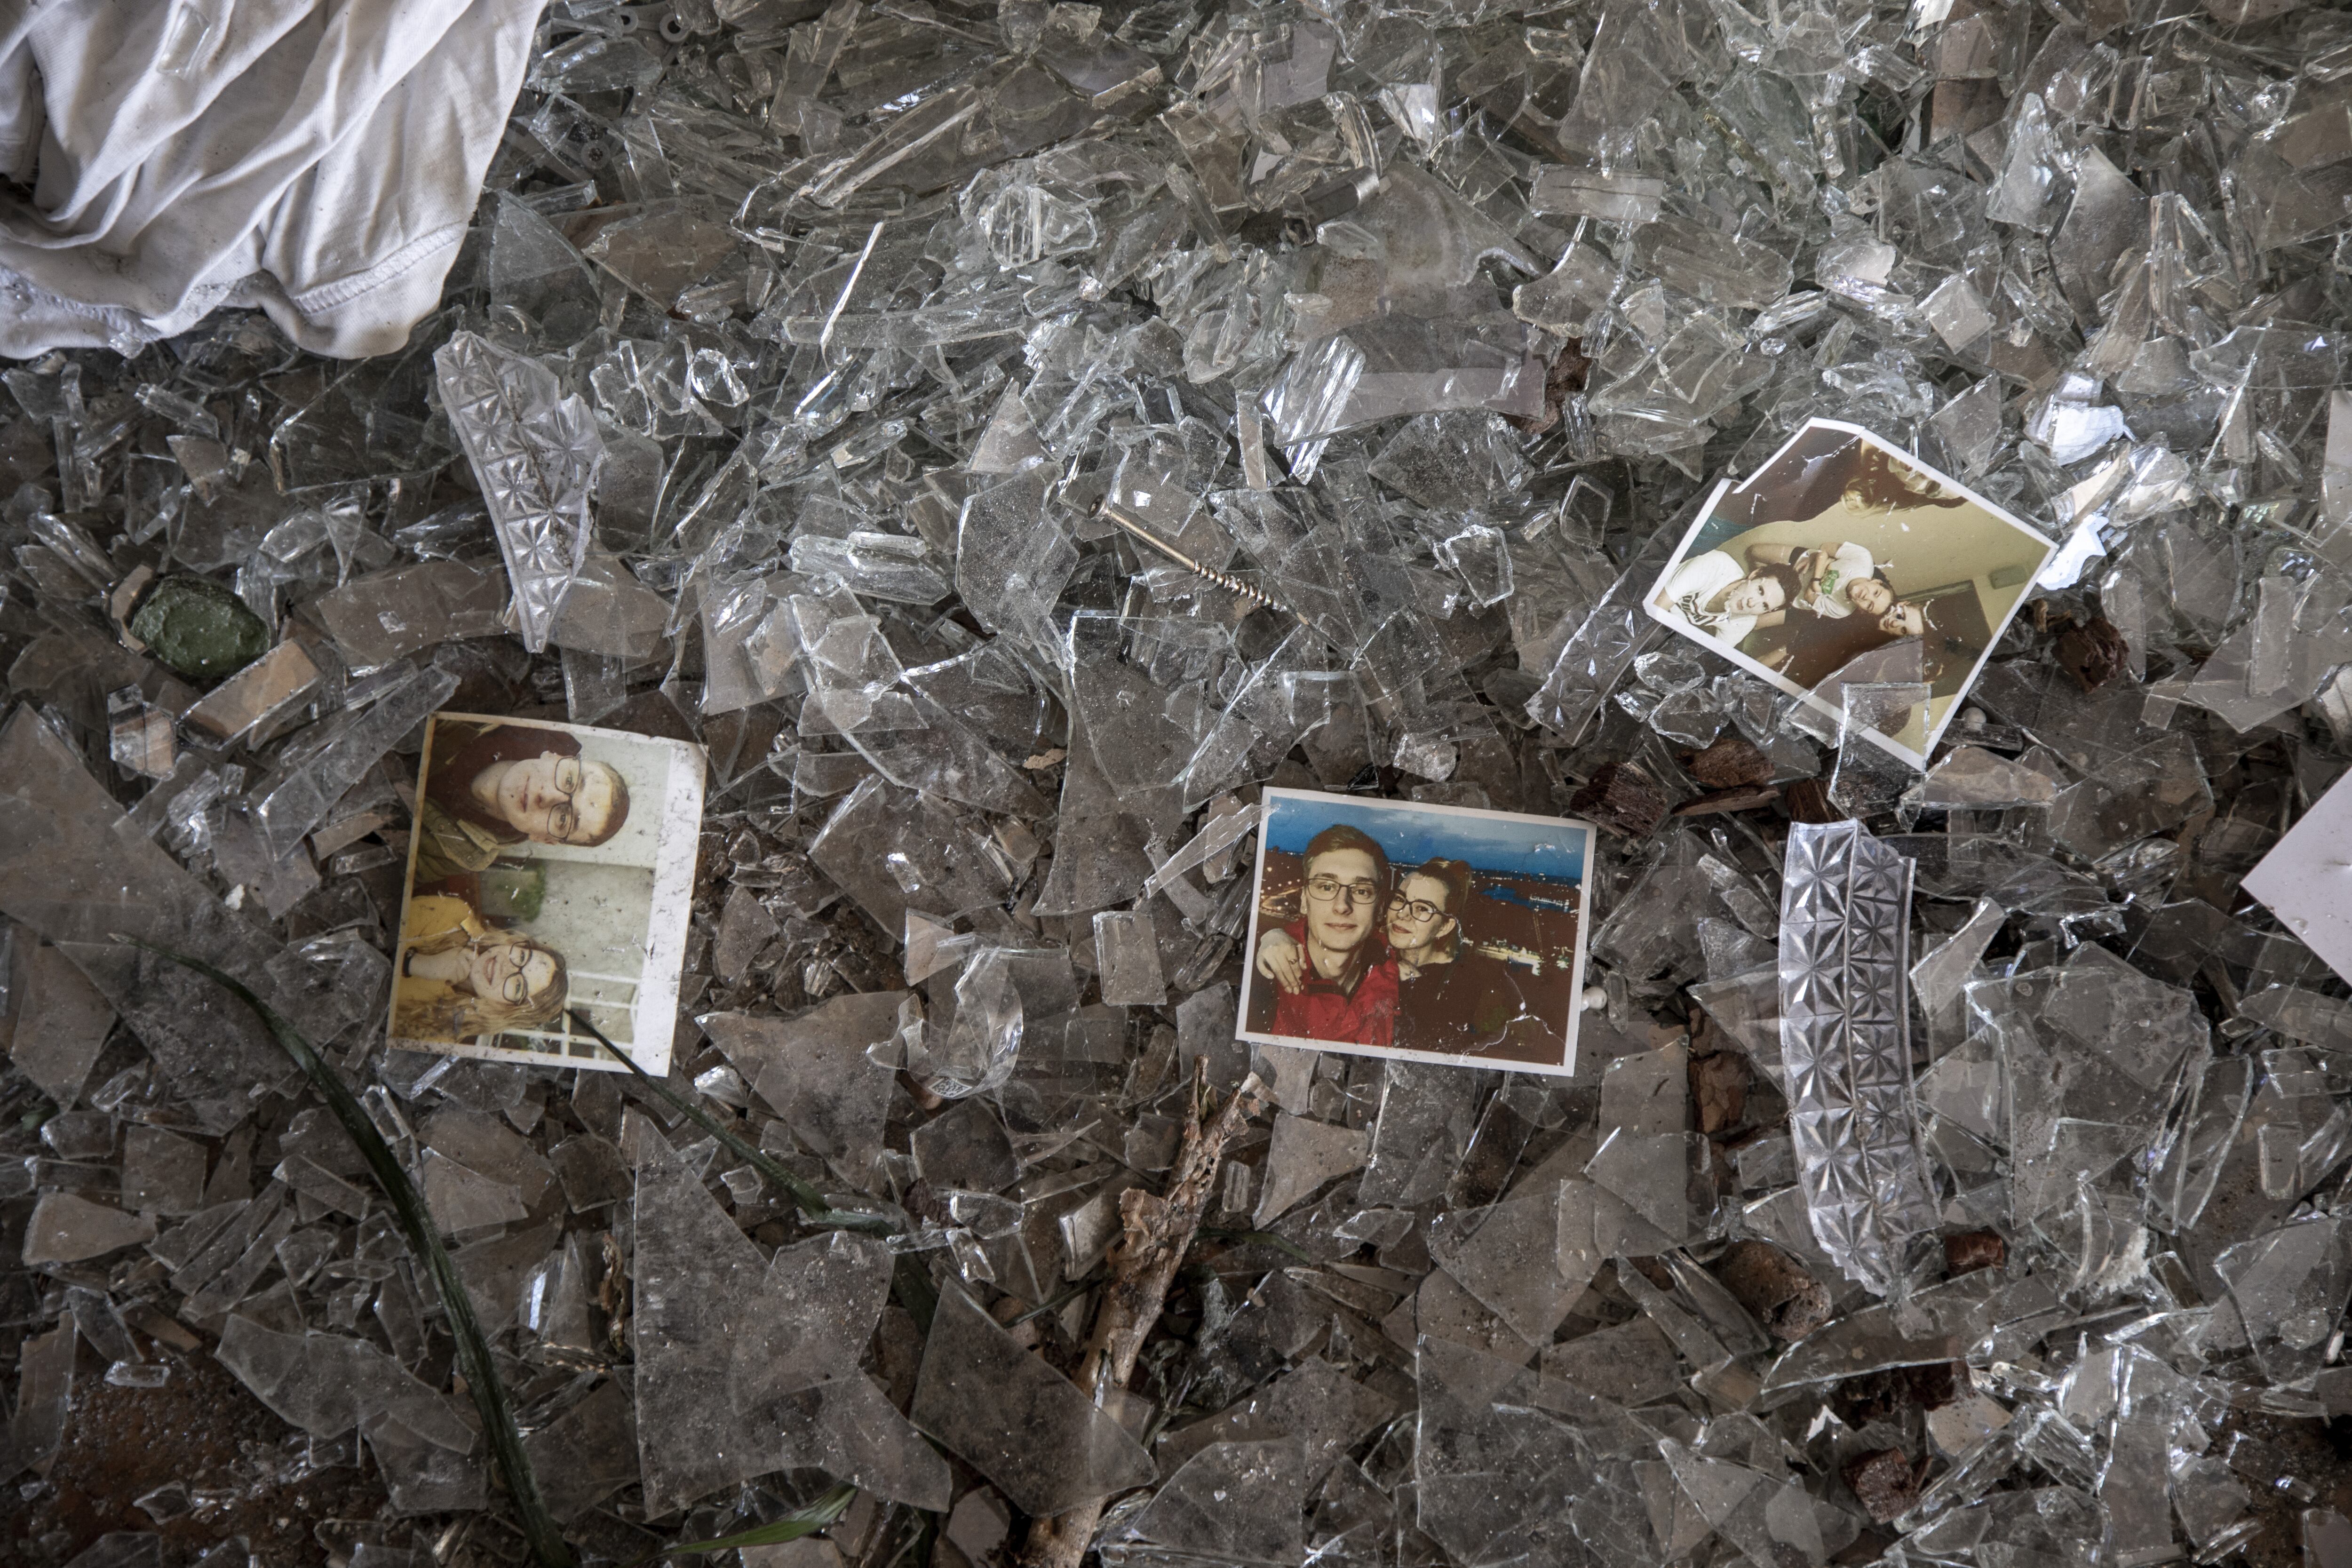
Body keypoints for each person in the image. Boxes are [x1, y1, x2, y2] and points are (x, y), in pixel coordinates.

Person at [1259, 858, 1557, 1061]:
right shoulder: (1374, 949)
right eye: (1400, 900)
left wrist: (1416, 985)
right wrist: (1273, 936)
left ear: (1445, 926)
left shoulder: (1478, 983)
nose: (1403, 914)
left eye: (1423, 909)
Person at [413, 719, 631, 884]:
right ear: (554, 756)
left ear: (543, 839)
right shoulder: (501, 717)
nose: (548, 796)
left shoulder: (467, 857)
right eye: (569, 780)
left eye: (563, 819)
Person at [1247, 823, 1398, 1048]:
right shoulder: (1261, 986)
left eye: (1361, 891)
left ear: (1380, 909)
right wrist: (1267, 936)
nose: (1342, 906)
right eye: (1326, 887)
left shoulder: (1397, 971)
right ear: (1305, 901)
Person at [392, 892, 569, 1043]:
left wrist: (415, 965)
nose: (506, 967)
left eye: (518, 986)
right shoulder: (455, 915)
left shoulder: (440, 1034)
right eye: (522, 957)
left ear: (507, 1010)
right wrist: (415, 961)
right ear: (514, 943)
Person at [1653, 556, 1806, 647]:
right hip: (1650, 590)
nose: (1752, 604)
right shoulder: (1715, 566)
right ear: (1754, 575)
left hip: (1667, 628)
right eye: (1760, 590)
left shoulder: (1745, 622)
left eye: (1765, 606)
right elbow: (1654, 612)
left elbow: (1708, 658)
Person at [1741, 541, 1891, 621]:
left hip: (1793, 594)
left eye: (1869, 606)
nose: (1867, 597)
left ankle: (1759, 579)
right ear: (1876, 582)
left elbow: (1808, 597)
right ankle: (1763, 575)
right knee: (1754, 552)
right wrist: (1816, 579)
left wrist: (1826, 561)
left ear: (1863, 610)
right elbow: (1826, 547)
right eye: (1876, 593)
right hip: (1804, 561)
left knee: (1749, 606)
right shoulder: (1863, 558)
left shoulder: (1842, 610)